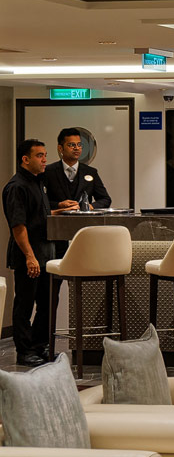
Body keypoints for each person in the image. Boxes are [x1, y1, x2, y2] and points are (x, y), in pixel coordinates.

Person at [2, 139, 76, 367]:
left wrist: (60, 209)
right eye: (39, 156)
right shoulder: (17, 186)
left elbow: (39, 215)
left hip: (47, 254)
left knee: (48, 303)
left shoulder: (39, 182)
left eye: (45, 155)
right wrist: (30, 257)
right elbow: (18, 226)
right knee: (24, 305)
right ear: (25, 159)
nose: (45, 160)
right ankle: (24, 351)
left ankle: (39, 345)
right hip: (29, 255)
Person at [44, 127, 111, 258]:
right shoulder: (48, 172)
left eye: (79, 145)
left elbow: (105, 199)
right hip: (57, 232)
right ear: (60, 148)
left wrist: (90, 207)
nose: (76, 148)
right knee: (57, 267)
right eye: (71, 145)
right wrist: (59, 205)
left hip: (84, 231)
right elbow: (42, 201)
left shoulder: (91, 172)